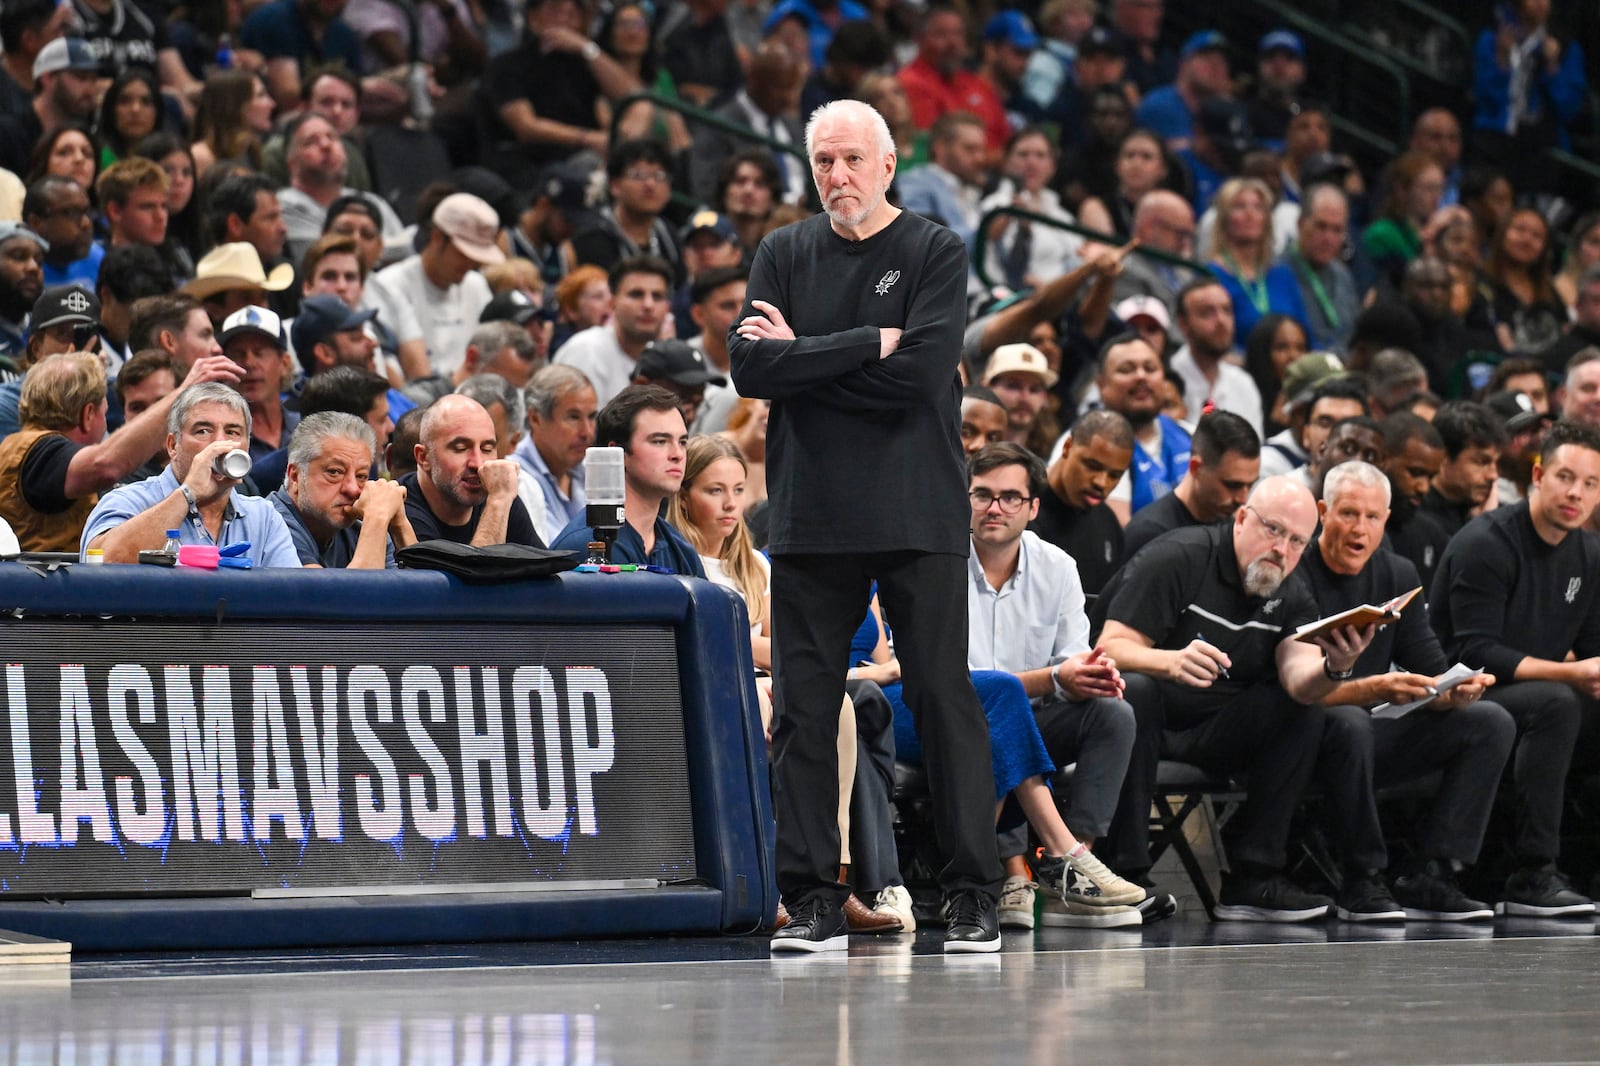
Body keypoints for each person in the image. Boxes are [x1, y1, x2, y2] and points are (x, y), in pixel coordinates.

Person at [727, 99, 1005, 953]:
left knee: (941, 696)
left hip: (915, 507)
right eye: (822, 163)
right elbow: (747, 367)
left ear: (888, 164)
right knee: (804, 711)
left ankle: (972, 893)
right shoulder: (782, 250)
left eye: (852, 159)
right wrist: (864, 342)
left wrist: (803, 358)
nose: (836, 177)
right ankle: (810, 894)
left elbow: (920, 380)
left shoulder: (933, 250)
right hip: (811, 515)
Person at [1097, 476, 1382, 921]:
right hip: (1147, 721)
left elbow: (1297, 677)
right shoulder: (1180, 557)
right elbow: (1109, 647)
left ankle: (1252, 877)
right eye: (1272, 530)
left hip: (1216, 731)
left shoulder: (1292, 590)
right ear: (1242, 518)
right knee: (1137, 689)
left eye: (1296, 541)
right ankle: (1125, 869)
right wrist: (1169, 661)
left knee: (1305, 707)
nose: (1281, 549)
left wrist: (1335, 667)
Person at [1297, 460, 1514, 920]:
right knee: (1349, 721)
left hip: (1373, 731)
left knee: (1489, 719)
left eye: (1372, 518)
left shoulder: (1397, 573)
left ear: (1386, 521)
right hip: (1300, 735)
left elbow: (1431, 669)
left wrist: (1454, 689)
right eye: (1348, 514)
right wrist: (1373, 687)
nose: (1360, 528)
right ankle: (1362, 878)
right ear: (1322, 512)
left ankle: (1433, 873)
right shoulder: (1295, 570)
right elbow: (1294, 692)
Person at [964, 443, 1147, 927]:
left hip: (1039, 715)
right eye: (982, 495)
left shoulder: (1058, 567)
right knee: (1001, 708)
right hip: (963, 723)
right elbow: (964, 684)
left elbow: (1071, 662)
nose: (995, 508)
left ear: (1033, 507)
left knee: (1114, 712)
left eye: (1010, 497)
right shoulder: (940, 566)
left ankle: (1069, 867)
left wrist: (1091, 677)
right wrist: (1056, 678)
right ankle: (1014, 873)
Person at [1430, 420, 1600, 917]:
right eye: (1567, 477)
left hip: (1537, 695)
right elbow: (1477, 652)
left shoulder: (1591, 554)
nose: (1576, 493)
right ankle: (1532, 873)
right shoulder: (1487, 543)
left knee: (1566, 702)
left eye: (1591, 484)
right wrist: (1570, 673)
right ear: (1539, 475)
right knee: (1557, 701)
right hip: (1458, 695)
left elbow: (1592, 649)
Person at [0, 348, 239, 551]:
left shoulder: (22, 447)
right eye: (105, 410)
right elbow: (105, 464)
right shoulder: (41, 453)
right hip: (39, 601)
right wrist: (185, 392)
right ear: (88, 415)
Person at [79, 382, 300, 566]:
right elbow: (101, 565)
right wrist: (188, 494)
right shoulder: (127, 501)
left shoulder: (264, 517)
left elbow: (293, 601)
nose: (220, 443)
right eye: (203, 431)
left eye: (232, 432)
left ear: (247, 446)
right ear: (173, 445)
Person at [549, 383, 701, 574]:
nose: (677, 454)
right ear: (617, 454)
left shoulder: (682, 551)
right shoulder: (584, 547)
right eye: (660, 441)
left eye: (682, 442)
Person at [372, 193, 501, 379]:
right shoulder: (390, 284)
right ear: (437, 237)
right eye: (462, 254)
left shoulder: (476, 285)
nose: (470, 263)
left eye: (476, 257)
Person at [271, 411, 414, 569]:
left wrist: (400, 524)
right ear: (295, 476)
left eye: (361, 476)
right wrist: (377, 518)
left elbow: (425, 592)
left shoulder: (362, 527)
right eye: (334, 472)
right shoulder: (270, 524)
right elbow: (341, 593)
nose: (353, 489)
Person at [400, 393, 542, 548]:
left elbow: (549, 568)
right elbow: (476, 570)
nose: (478, 463)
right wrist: (498, 502)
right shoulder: (401, 509)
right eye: (461, 449)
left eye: (486, 449)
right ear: (423, 457)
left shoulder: (498, 496)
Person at [1123, 410, 1260, 557]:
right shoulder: (1149, 534)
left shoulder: (1233, 530)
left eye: (1250, 485)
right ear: (1196, 467)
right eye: (1232, 485)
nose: (1242, 499)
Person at [1031, 409, 1133, 596]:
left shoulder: (1108, 523)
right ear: (1067, 447)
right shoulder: (1021, 507)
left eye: (1114, 475)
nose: (1101, 483)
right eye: (1092, 466)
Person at [1095, 331, 1191, 524]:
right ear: (1101, 384)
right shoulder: (1087, 444)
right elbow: (1121, 536)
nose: (1141, 376)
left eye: (1150, 368)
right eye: (1126, 369)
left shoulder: (1192, 434)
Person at [552, 255, 672, 407]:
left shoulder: (662, 356)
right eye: (636, 294)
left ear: (668, 308)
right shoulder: (586, 349)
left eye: (657, 296)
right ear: (612, 303)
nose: (648, 305)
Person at [1206, 177, 1309, 352]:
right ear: (1224, 218)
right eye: (1239, 207)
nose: (1250, 214)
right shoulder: (1211, 276)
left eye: (1258, 207)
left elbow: (1306, 335)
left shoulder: (1283, 275)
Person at [1170, 277, 1265, 437]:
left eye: (1227, 310)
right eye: (1207, 313)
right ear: (1183, 324)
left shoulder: (1243, 383)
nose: (1221, 321)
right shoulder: (1167, 381)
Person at [515, 364, 596, 546]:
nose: (587, 432)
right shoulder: (516, 479)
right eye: (573, 417)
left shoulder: (587, 473)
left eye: (591, 417)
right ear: (536, 418)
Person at [1280, 184, 1360, 355]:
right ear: (1301, 224)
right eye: (1321, 227)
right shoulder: (1277, 274)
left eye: (1337, 230)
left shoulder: (1343, 275)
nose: (1328, 238)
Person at [1421, 400, 1505, 537]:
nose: (1493, 475)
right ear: (1444, 458)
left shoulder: (1496, 512)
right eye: (1481, 462)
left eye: (1496, 463)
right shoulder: (1415, 519)